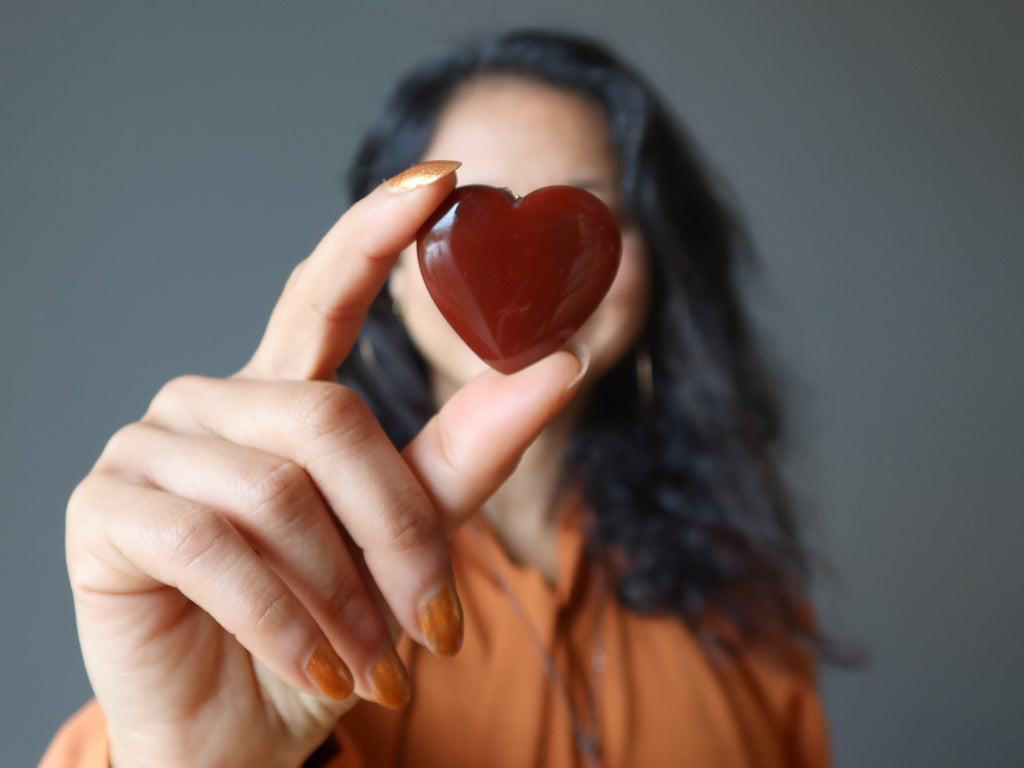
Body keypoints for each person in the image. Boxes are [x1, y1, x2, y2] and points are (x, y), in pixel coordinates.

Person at [42, 28, 830, 768]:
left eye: (587, 209)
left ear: (654, 260)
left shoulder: (751, 607)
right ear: (390, 270)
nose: (521, 267)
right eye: (460, 217)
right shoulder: (289, 579)